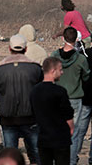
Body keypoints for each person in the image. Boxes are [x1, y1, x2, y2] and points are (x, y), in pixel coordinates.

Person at [0, 34, 43, 165]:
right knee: (36, 153)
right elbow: (40, 89)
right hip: (31, 116)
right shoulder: (35, 68)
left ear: (9, 48)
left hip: (7, 117)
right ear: (25, 49)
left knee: (10, 154)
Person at [51, 26, 90, 165]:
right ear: (77, 40)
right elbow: (86, 77)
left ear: (63, 38)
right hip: (75, 98)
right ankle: (71, 161)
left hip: (57, 98)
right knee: (74, 133)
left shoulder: (54, 56)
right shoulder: (80, 59)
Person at [31, 57, 75, 165]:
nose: (62, 72)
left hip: (43, 137)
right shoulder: (60, 91)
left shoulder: (34, 91)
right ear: (53, 71)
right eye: (60, 70)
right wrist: (71, 128)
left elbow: (33, 111)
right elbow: (68, 114)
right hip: (60, 138)